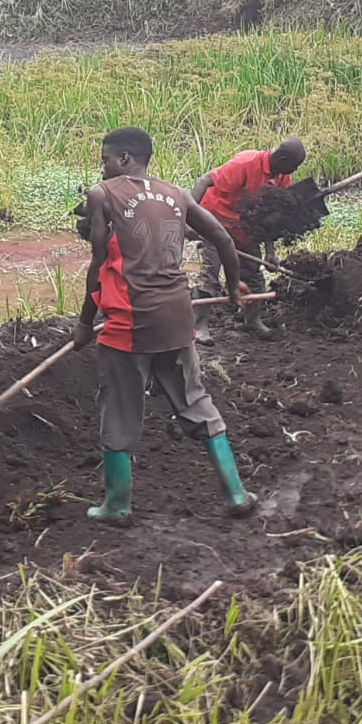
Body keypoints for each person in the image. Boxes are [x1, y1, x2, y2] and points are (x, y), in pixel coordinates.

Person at [72, 127, 259, 525]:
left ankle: (117, 505)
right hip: (177, 318)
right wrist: (232, 289)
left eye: (105, 160)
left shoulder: (102, 194)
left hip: (131, 322)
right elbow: (224, 239)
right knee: (195, 400)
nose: (102, 168)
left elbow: (98, 264)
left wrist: (85, 323)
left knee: (119, 409)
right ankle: (236, 493)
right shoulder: (178, 194)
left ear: (124, 159)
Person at [191, 138, 306, 342]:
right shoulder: (245, 163)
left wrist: (270, 252)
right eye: (294, 166)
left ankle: (252, 320)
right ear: (282, 159)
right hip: (215, 224)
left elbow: (271, 218)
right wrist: (188, 218)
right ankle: (199, 326)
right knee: (210, 275)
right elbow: (204, 180)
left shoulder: (282, 178)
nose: (295, 170)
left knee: (254, 276)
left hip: (244, 229)